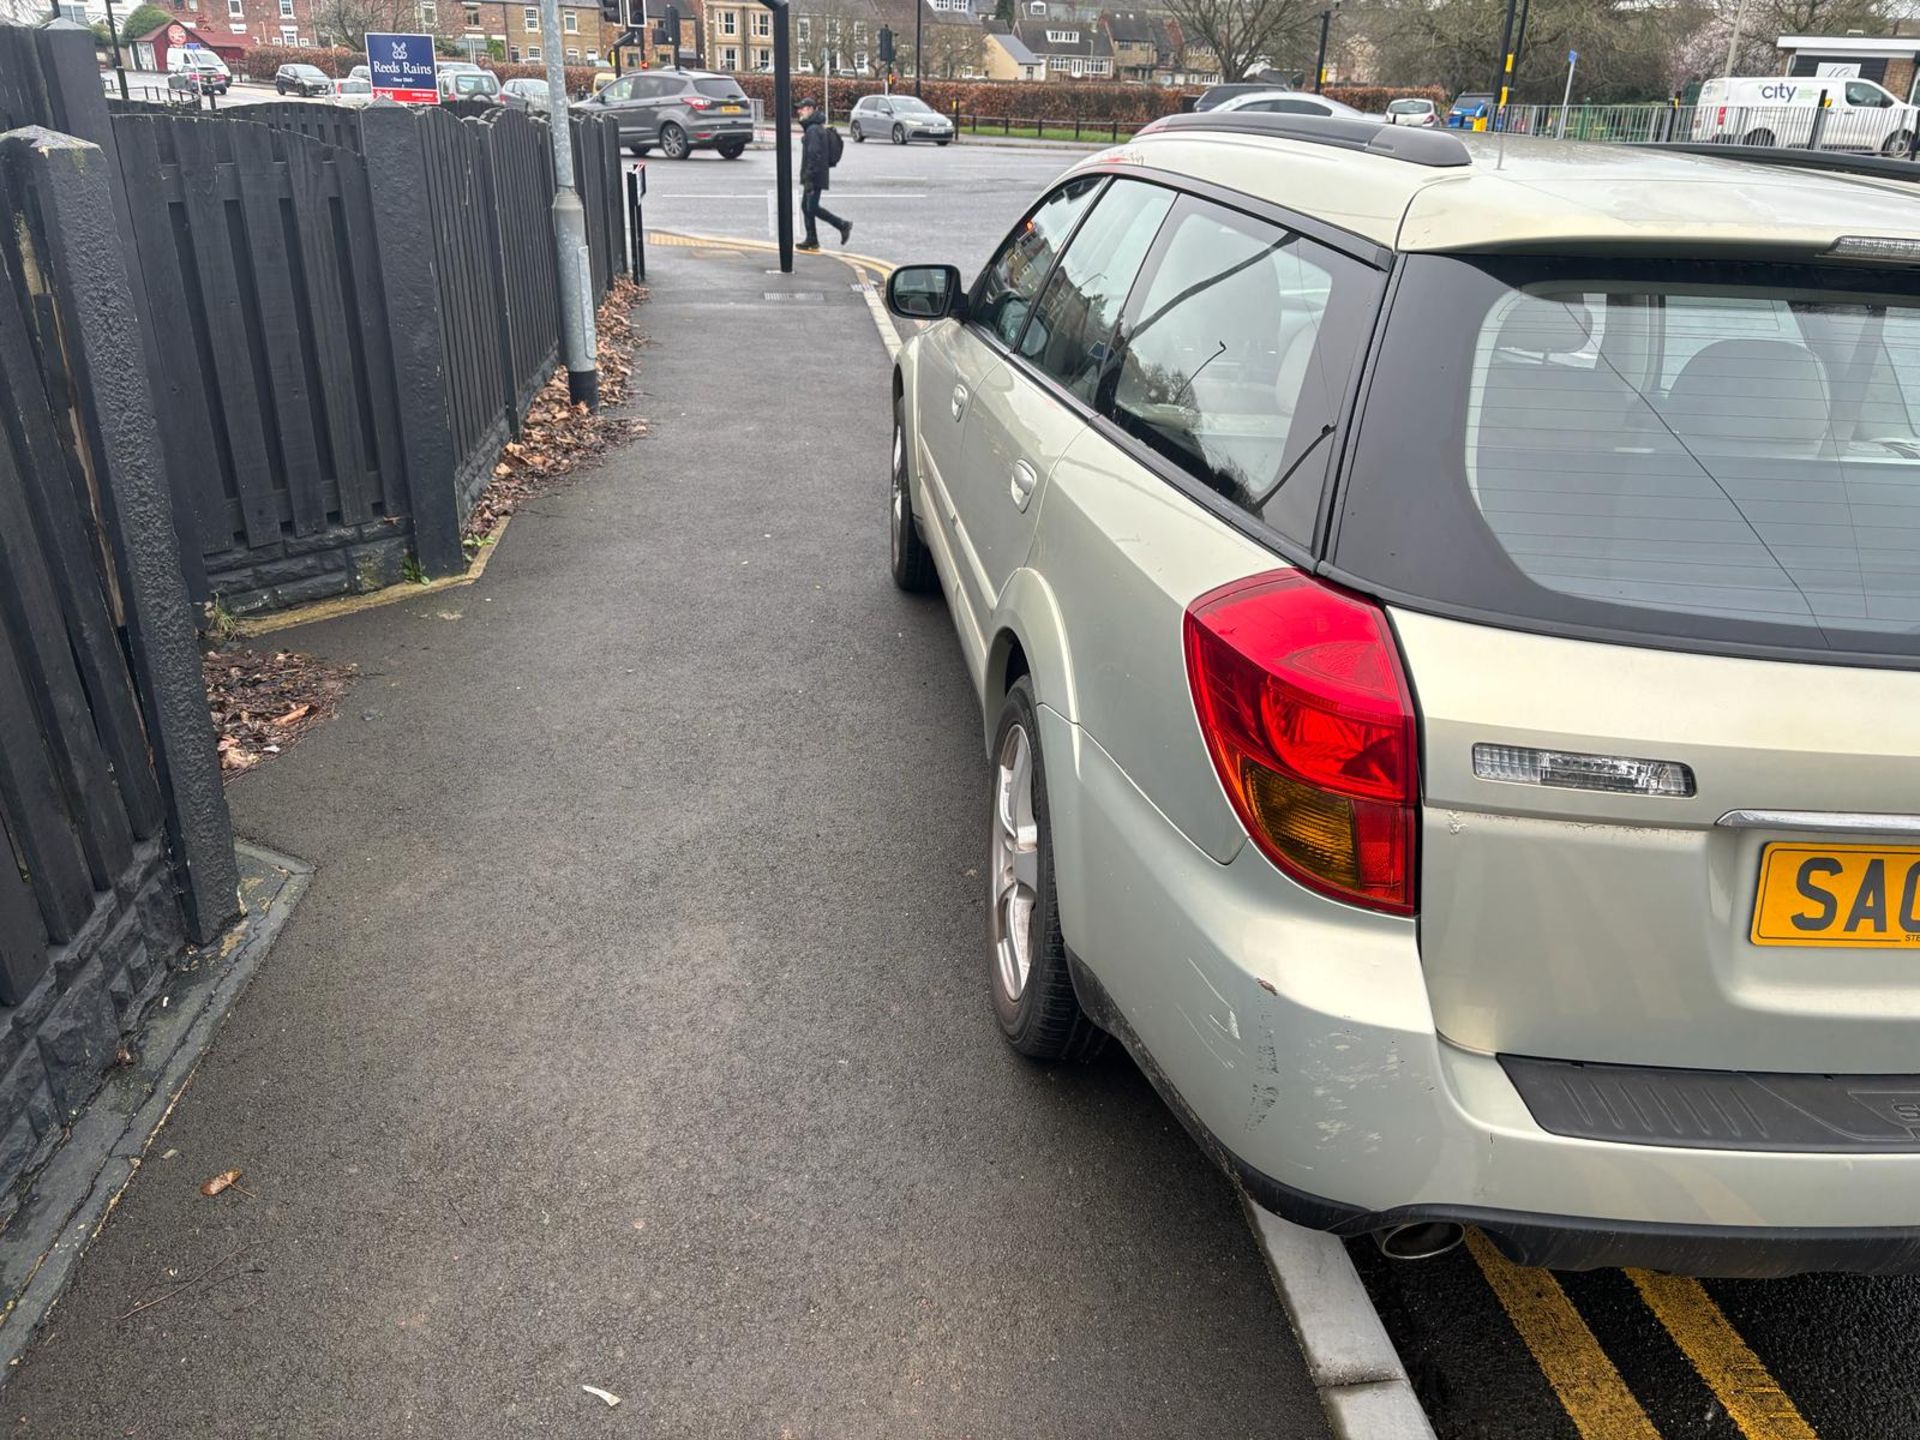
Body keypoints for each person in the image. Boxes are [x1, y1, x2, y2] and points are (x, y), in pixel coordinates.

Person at [796, 97, 852, 253]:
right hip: (816, 174)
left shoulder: (813, 129)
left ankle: (842, 225)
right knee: (807, 207)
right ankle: (811, 239)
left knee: (811, 207)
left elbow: (814, 155)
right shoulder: (814, 128)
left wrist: (809, 177)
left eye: (803, 108)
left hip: (814, 176)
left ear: (812, 109)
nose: (800, 111)